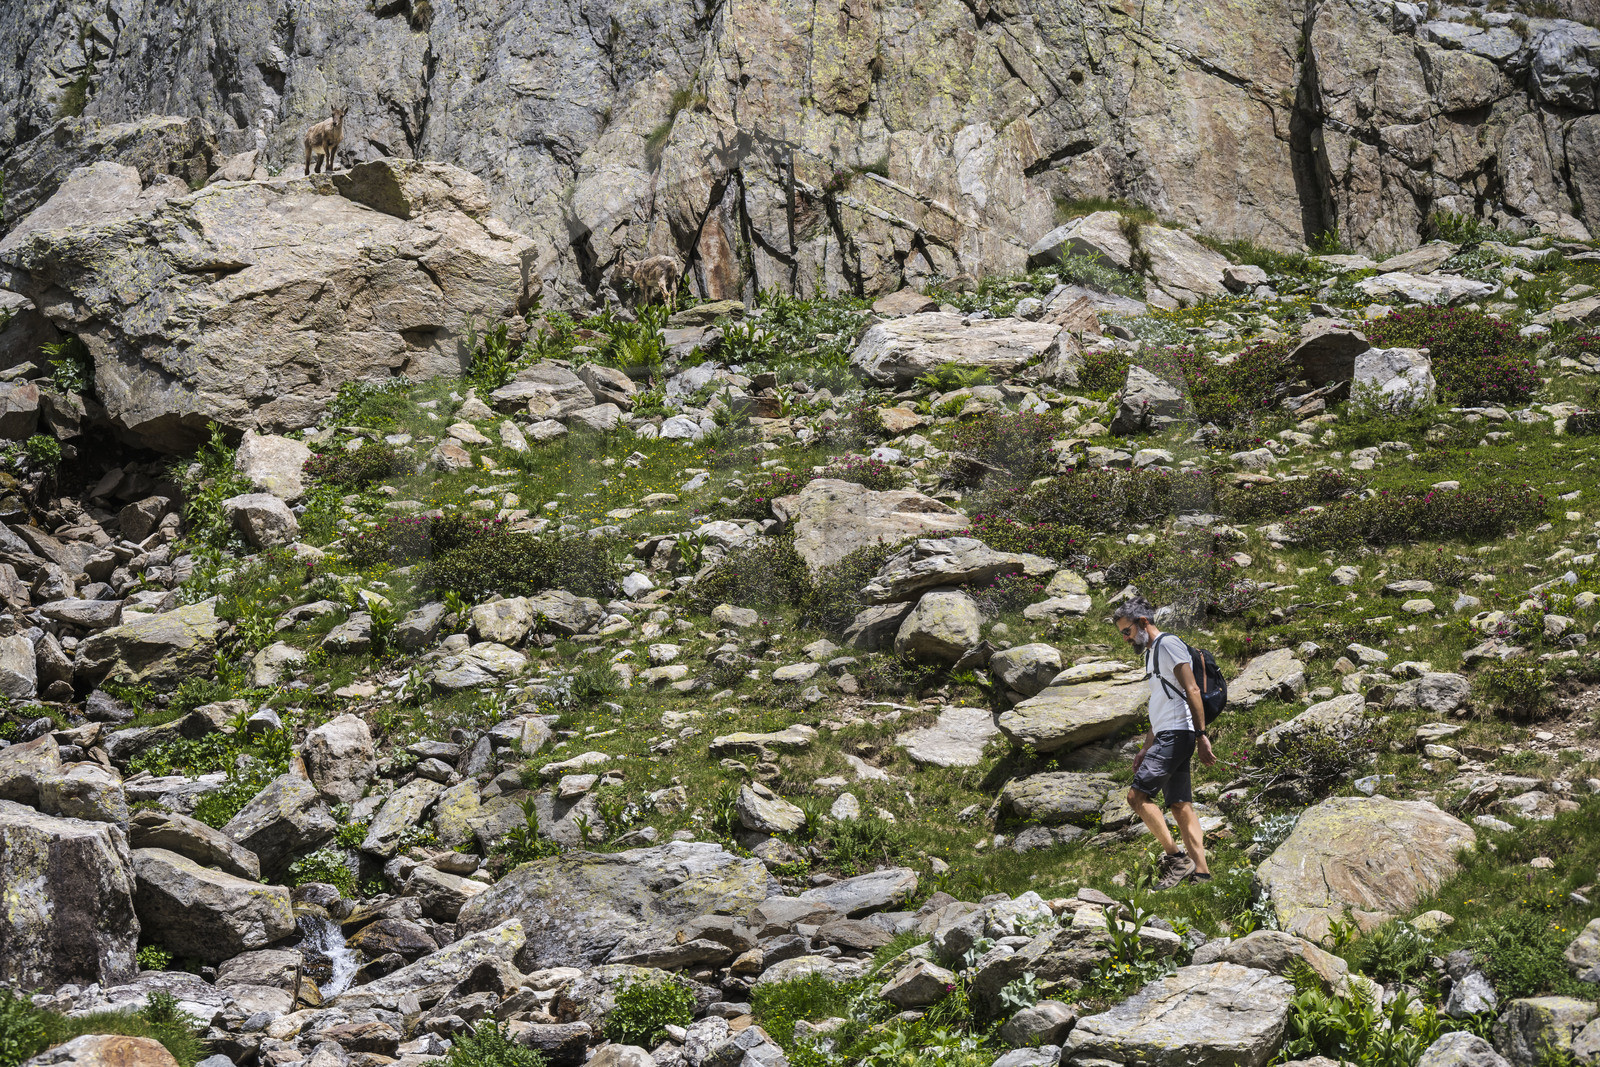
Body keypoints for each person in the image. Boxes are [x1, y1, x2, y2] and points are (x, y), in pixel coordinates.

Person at [1111, 595, 1216, 889]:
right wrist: (1146, 747)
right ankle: (1202, 873)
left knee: (1137, 797)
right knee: (1180, 804)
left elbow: (1192, 689)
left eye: (1126, 631)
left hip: (1177, 734)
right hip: (1169, 732)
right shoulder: (1151, 653)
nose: (1125, 638)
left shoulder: (1168, 644)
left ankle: (1177, 859)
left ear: (1143, 623)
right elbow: (1161, 704)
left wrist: (1201, 734)